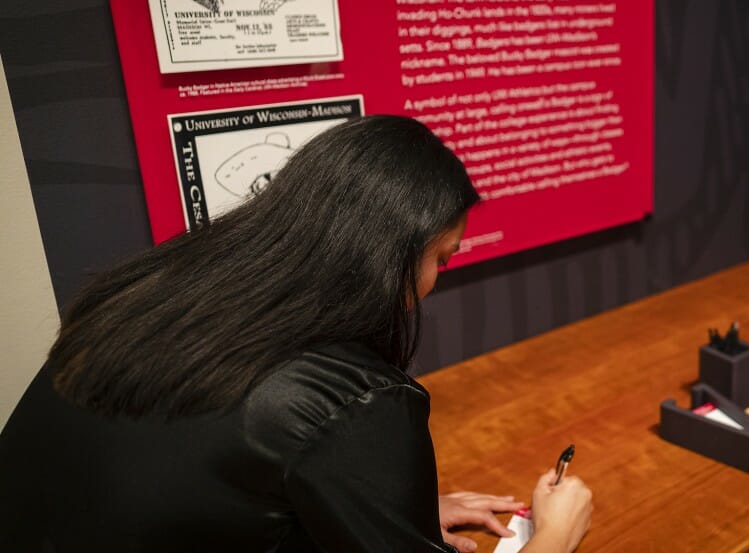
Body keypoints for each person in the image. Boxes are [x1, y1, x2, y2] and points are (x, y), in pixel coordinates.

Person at [0, 116, 592, 552]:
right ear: (391, 258)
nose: (438, 279)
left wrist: (379, 507)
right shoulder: (350, 401)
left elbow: (196, 483)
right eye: (444, 257)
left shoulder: (144, 295)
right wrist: (557, 536)